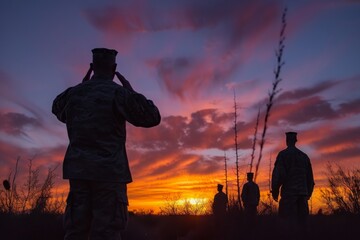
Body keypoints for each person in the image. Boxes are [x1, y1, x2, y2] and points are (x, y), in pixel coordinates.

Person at [52, 48, 161, 240]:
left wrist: (81, 86)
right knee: (107, 233)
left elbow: (58, 109)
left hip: (79, 173)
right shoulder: (119, 93)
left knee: (75, 232)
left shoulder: (74, 95)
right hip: (109, 175)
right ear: (114, 69)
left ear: (92, 67)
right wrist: (131, 92)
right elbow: (152, 117)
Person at [271, 131, 315, 237]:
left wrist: (275, 191)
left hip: (289, 194)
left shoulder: (283, 155)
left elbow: (278, 175)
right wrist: (308, 193)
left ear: (287, 141)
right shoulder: (304, 156)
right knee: (303, 224)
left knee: (286, 223)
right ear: (296, 140)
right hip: (303, 194)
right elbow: (310, 178)